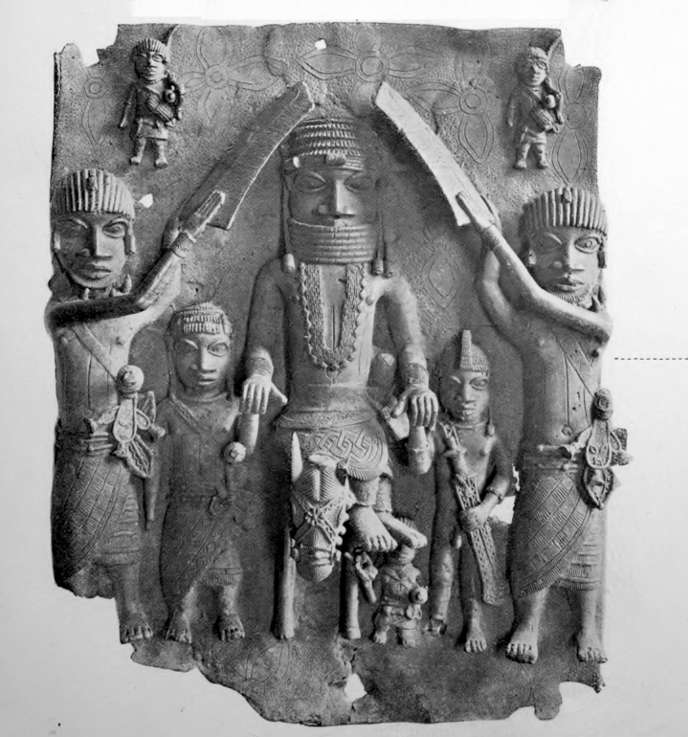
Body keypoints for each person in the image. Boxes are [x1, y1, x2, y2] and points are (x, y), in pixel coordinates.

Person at [240, 114, 434, 636]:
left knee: (370, 463)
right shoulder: (279, 275)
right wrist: (258, 374)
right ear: (288, 190)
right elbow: (260, 346)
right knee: (299, 483)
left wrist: (418, 384)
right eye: (313, 185)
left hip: (359, 421)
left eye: (356, 187)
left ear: (377, 196)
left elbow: (411, 347)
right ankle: (287, 605)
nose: (336, 205)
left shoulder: (385, 280)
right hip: (300, 418)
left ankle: (359, 582)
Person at [47, 168, 217, 642]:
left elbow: (161, 299)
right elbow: (143, 299)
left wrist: (175, 245)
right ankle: (87, 583)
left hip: (117, 444)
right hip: (78, 447)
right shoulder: (63, 313)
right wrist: (181, 245)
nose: (96, 250)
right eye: (75, 231)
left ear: (129, 244)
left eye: (113, 231)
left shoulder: (122, 317)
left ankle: (132, 603)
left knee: (124, 529)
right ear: (55, 241)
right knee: (74, 541)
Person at [460, 185, 613, 664]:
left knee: (589, 547)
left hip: (587, 460)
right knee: (533, 546)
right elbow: (489, 288)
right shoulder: (530, 331)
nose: (568, 261)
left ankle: (588, 626)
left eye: (584, 246)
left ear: (601, 259)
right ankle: (527, 622)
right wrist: (492, 240)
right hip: (543, 460)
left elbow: (527, 293)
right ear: (531, 254)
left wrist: (495, 237)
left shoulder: (598, 324)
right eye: (549, 246)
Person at [157, 302, 251, 642]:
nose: (202, 364)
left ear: (232, 352)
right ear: (171, 353)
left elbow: (248, 443)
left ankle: (228, 610)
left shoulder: (234, 408)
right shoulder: (168, 410)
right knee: (179, 561)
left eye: (217, 349)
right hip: (182, 503)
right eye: (187, 350)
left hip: (219, 502)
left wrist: (241, 447)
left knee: (226, 564)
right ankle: (180, 612)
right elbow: (150, 454)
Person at [426, 331, 513, 653]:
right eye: (454, 385)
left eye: (477, 385)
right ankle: (436, 618)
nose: (465, 396)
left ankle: (473, 622)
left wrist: (485, 508)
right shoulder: (437, 431)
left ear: (490, 390)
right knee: (442, 565)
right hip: (445, 514)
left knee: (473, 569)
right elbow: (418, 462)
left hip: (477, 515)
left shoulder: (491, 436)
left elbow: (504, 475)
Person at [119, 38, 183, 168]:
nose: (149, 62)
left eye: (156, 58)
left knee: (159, 141)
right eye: (143, 57)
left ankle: (161, 157)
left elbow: (175, 99)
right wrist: (124, 119)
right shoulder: (136, 85)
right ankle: (138, 155)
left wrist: (174, 91)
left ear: (164, 63)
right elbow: (128, 103)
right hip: (142, 119)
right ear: (136, 61)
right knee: (140, 140)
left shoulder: (165, 84)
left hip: (158, 119)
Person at [506, 46, 563, 170]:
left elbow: (551, 103)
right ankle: (521, 160)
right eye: (528, 67)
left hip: (539, 126)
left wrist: (551, 101)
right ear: (520, 71)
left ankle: (541, 159)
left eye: (540, 68)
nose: (534, 72)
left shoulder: (543, 91)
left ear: (545, 73)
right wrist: (510, 118)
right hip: (525, 125)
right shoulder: (519, 91)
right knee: (523, 145)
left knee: (540, 145)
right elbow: (512, 105)